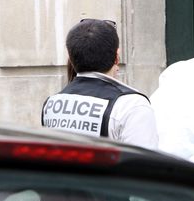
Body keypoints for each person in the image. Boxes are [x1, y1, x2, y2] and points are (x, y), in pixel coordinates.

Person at [41, 19, 158, 150]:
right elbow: (143, 167)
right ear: (117, 58)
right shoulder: (132, 106)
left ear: (71, 57)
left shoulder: (51, 104)